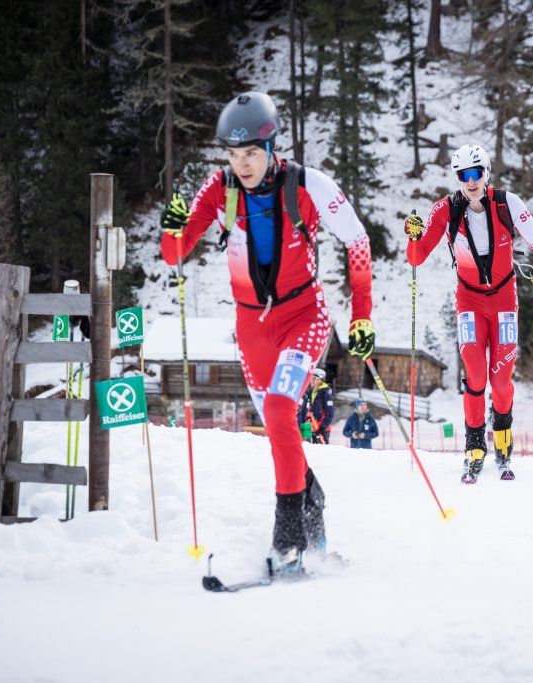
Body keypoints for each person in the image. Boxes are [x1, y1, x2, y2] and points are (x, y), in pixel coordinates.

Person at [159, 91, 375, 575]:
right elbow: (175, 254)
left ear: (272, 146)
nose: (242, 165)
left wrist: (361, 316)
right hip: (250, 328)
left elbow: (357, 240)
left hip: (305, 317)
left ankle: (288, 540)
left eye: (252, 153)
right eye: (233, 155)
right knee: (280, 432)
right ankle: (312, 504)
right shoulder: (219, 189)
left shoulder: (308, 185)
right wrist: (171, 230)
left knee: (279, 410)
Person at [404, 144, 533, 484]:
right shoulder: (446, 209)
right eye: (463, 175)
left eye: (476, 173)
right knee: (475, 376)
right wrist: (413, 234)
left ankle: (503, 443)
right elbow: (416, 256)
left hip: (504, 303)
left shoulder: (507, 203)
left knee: (500, 382)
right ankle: (474, 448)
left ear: (486, 173)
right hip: (469, 302)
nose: (470, 181)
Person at [298, 367, 334, 445]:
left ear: (320, 380)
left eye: (314, 378)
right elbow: (303, 411)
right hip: (306, 426)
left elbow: (330, 414)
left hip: (320, 428)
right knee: (305, 447)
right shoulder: (308, 393)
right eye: (311, 378)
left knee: (319, 450)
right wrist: (300, 425)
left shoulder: (325, 394)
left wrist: (323, 427)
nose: (311, 380)